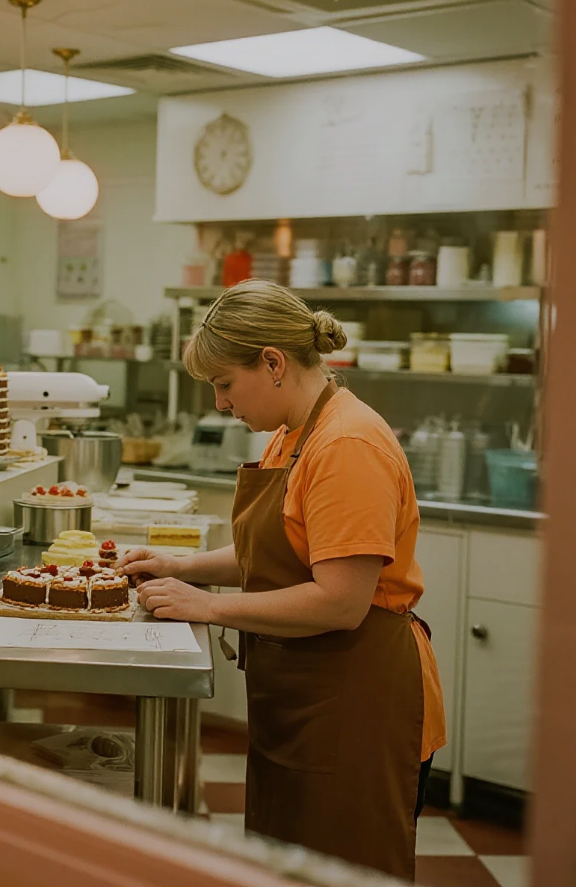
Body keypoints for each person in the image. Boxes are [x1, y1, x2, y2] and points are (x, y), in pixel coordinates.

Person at [120, 280, 445, 880]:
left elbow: (341, 601)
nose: (219, 404)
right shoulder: (293, 435)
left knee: (342, 867)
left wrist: (208, 608)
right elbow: (271, 552)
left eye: (223, 384)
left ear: (273, 363)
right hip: (307, 693)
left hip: (357, 698)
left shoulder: (346, 444)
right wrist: (180, 567)